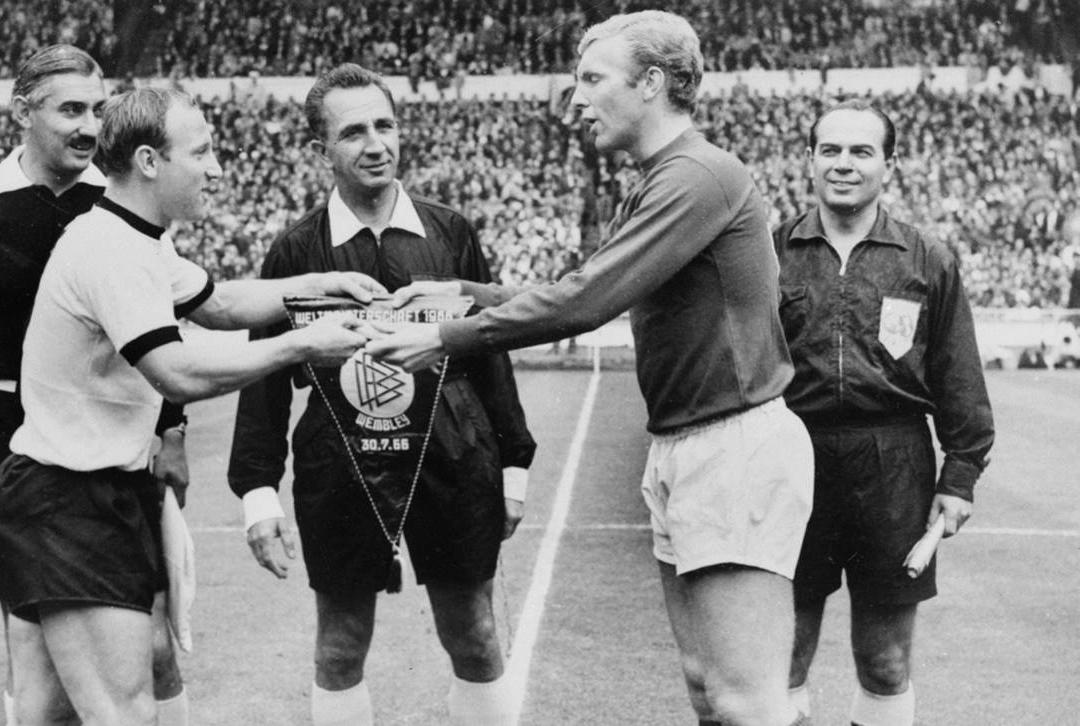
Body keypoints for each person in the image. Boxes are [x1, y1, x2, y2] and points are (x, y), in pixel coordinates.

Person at [367, 11, 813, 726]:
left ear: (653, 84)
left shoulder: (697, 175)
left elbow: (586, 301)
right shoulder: (659, 179)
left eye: (591, 79)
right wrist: (472, 294)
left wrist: (450, 333)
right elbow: (593, 284)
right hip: (688, 443)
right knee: (707, 688)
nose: (574, 99)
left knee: (746, 703)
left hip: (733, 448)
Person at [0, 85, 382, 726]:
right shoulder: (109, 248)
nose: (217, 169)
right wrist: (303, 344)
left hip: (69, 494)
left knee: (48, 713)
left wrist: (319, 285)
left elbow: (220, 305)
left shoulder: (137, 238)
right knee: (125, 712)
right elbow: (176, 371)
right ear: (148, 161)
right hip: (70, 500)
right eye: (201, 152)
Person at [227, 63, 537, 726]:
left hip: (454, 454)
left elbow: (490, 351)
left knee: (475, 635)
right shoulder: (295, 250)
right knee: (340, 647)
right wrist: (256, 492)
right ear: (321, 152)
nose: (376, 144)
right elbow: (264, 376)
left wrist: (514, 462)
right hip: (337, 462)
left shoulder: (450, 233)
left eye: (385, 125)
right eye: (354, 132)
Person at [0, 44, 194, 725]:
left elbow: (166, 319)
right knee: (33, 649)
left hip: (116, 438)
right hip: (7, 436)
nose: (89, 127)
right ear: (22, 112)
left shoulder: (123, 201)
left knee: (154, 642)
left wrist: (173, 429)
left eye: (98, 109)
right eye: (70, 110)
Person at [772, 100, 995, 726]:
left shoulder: (927, 258)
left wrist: (960, 477)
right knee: (781, 657)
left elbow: (961, 378)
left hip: (893, 462)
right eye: (831, 150)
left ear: (889, 165)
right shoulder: (769, 252)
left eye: (862, 151)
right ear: (810, 160)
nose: (844, 164)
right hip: (793, 457)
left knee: (886, 662)